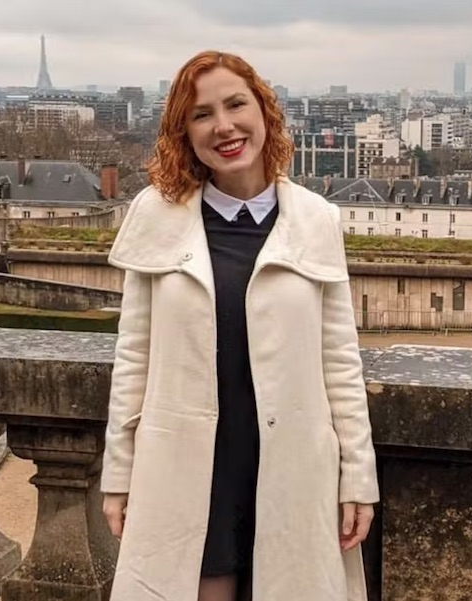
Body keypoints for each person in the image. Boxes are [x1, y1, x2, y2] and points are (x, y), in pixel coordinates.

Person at [101, 50, 380, 601]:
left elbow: (340, 362)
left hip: (293, 463)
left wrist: (357, 477)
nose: (224, 126)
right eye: (202, 114)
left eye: (235, 105)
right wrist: (119, 475)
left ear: (264, 111)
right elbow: (133, 359)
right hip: (190, 467)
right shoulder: (156, 216)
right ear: (184, 133)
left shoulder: (316, 219)